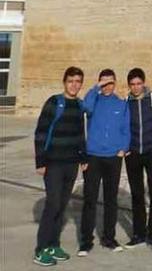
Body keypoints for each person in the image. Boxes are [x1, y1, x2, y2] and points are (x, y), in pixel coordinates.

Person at [33, 67, 87, 267]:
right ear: (64, 82)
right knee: (53, 204)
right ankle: (41, 249)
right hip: (53, 163)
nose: (74, 84)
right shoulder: (54, 102)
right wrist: (40, 161)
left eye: (78, 81)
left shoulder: (80, 105)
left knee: (63, 204)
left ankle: (54, 244)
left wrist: (83, 156)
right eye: (71, 80)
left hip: (71, 163)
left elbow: (80, 133)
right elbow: (41, 132)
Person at [79, 69, 131, 256]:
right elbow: (85, 107)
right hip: (93, 156)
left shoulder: (120, 104)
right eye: (104, 83)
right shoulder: (94, 100)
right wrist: (96, 88)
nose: (107, 86)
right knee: (90, 198)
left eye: (110, 83)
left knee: (111, 199)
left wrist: (123, 148)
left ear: (115, 83)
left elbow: (126, 128)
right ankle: (85, 241)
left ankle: (109, 238)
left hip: (113, 158)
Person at [123, 68, 152, 251]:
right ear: (129, 85)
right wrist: (125, 147)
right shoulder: (126, 103)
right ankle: (138, 233)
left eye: (138, 83)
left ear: (143, 83)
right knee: (137, 195)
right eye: (132, 84)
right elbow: (122, 127)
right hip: (133, 153)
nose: (136, 87)